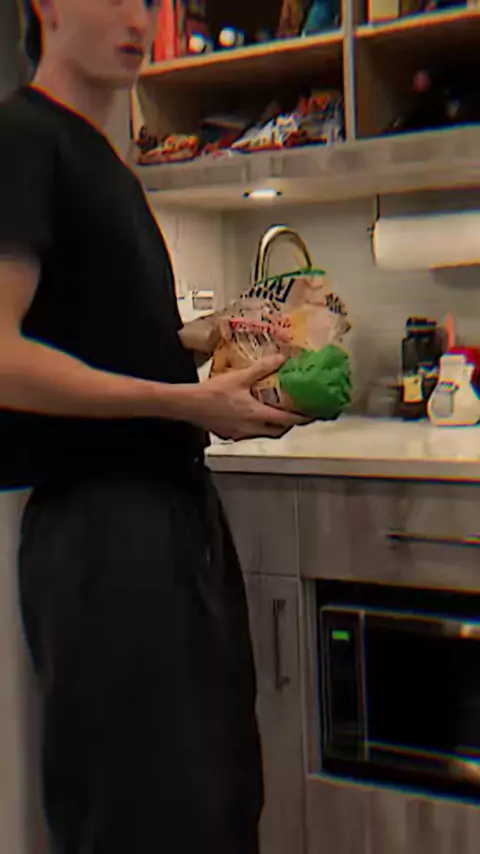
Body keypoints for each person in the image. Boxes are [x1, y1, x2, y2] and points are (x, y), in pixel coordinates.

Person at [0, 2, 304, 852]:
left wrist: (221, 340)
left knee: (215, 804)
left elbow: (104, 332)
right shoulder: (23, 140)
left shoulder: (107, 164)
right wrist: (185, 403)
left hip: (172, 522)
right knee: (141, 816)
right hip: (103, 537)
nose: (140, 17)